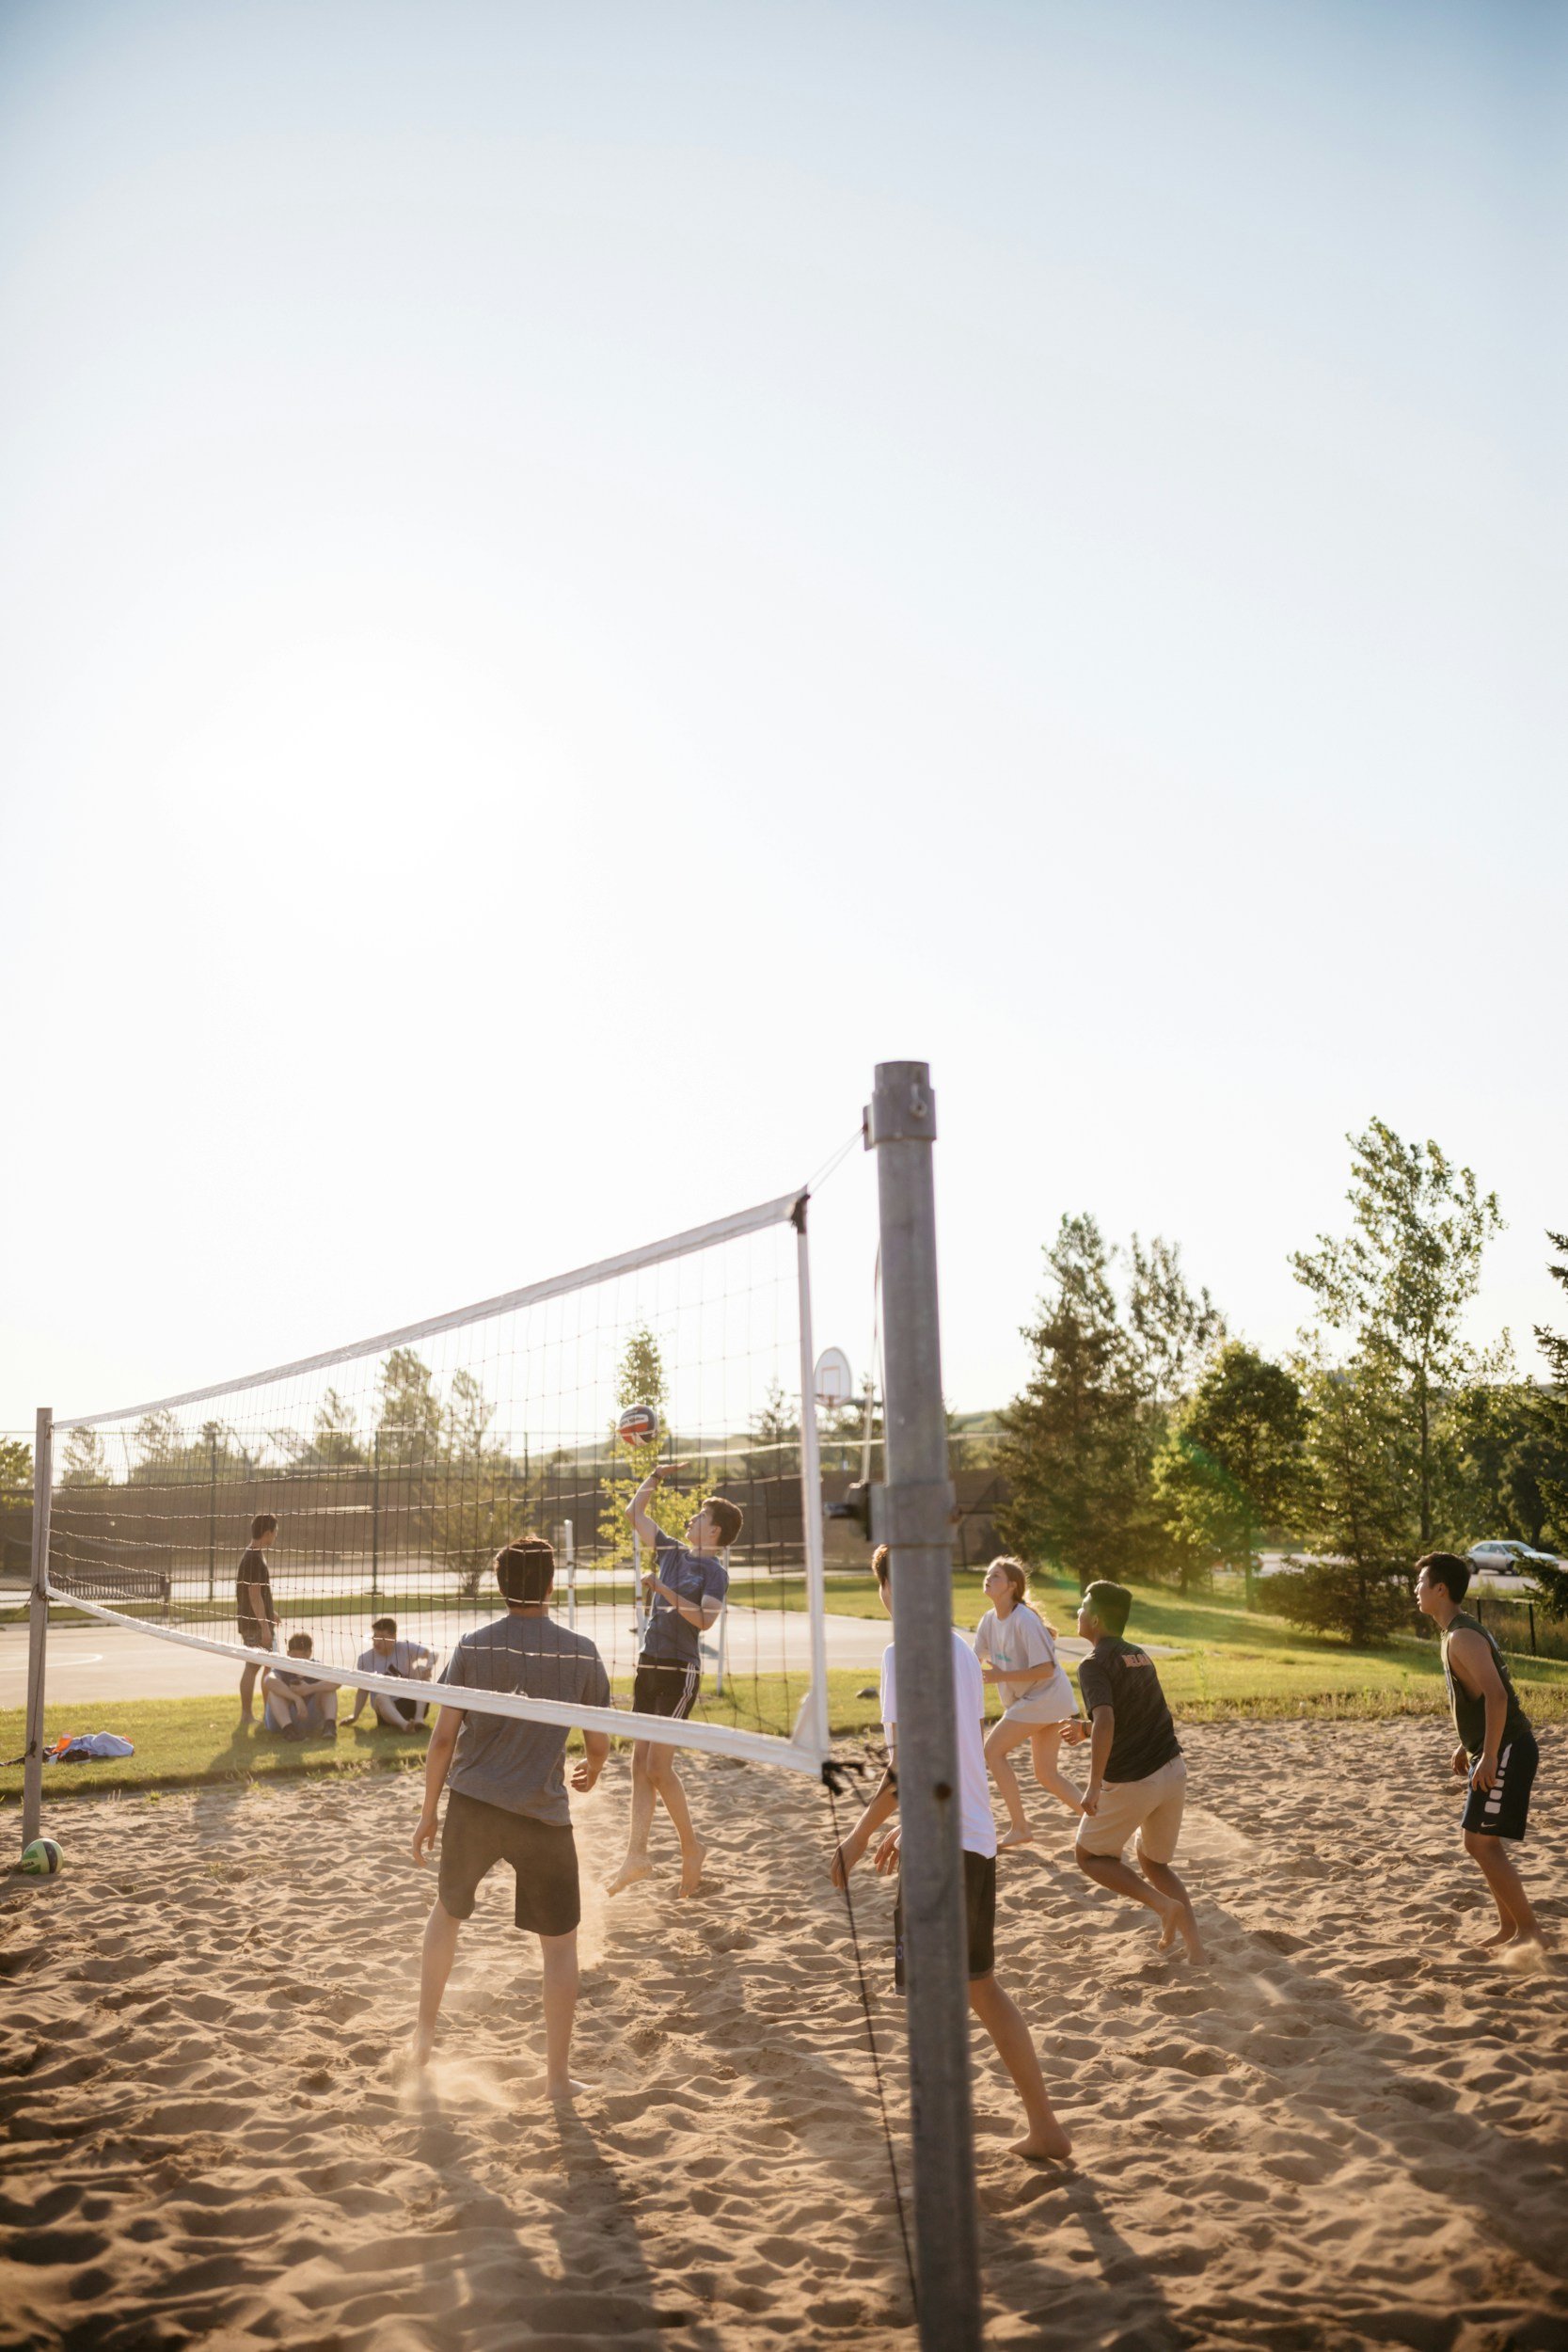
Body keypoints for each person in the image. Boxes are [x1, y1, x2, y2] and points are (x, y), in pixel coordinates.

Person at [830, 1544, 1071, 2163]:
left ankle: (941, 2151)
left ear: (888, 1589)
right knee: (981, 1989)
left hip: (941, 1849)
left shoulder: (901, 1654)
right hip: (971, 1836)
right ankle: (1044, 2127)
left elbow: (905, 1764)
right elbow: (942, 1755)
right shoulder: (960, 1648)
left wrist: (856, 1838)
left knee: (930, 2002)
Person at [410, 1534, 611, 2087]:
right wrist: (592, 1771)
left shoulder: (473, 1646)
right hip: (540, 1813)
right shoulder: (579, 1650)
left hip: (474, 1803)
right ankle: (556, 2078)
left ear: (501, 1587)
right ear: (550, 1585)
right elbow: (599, 1742)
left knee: (445, 1916)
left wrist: (429, 1811)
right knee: (560, 1948)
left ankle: (423, 2039)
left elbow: (443, 1740)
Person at [607, 1467, 742, 1899]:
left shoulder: (714, 1574)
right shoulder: (671, 1550)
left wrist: (663, 1590)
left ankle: (692, 1846)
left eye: (698, 1517)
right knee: (638, 1765)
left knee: (658, 1767)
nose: (689, 1521)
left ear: (714, 1529)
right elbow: (633, 1512)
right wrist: (654, 1476)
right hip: (649, 1663)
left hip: (680, 1670)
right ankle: (637, 1854)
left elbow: (703, 1621)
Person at [1414, 1551, 1544, 1955]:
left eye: (1421, 1583)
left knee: (1481, 1843)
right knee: (1480, 1842)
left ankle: (1530, 1931)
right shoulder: (1454, 1632)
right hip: (1494, 1747)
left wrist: (1487, 1756)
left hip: (1507, 1749)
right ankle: (1511, 1929)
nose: (1415, 1589)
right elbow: (1477, 1696)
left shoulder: (1462, 1636)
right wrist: (1466, 1744)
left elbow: (1499, 1696)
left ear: (1441, 1589)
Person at [1068, 1580, 1203, 1962]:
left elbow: (1109, 1721)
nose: (1077, 1613)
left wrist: (1094, 1786)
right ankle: (1197, 1953)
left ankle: (1162, 1906)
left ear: (1094, 1619)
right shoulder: (1139, 1655)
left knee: (1090, 1857)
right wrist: (1087, 1728)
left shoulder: (1092, 1664)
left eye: (1082, 1607)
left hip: (1134, 1780)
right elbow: (1131, 1718)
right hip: (1172, 1771)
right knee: (1155, 1862)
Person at [974, 1556, 1084, 1844]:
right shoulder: (988, 1620)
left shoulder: (1024, 1618)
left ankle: (1020, 1828)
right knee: (1046, 1774)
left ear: (1012, 1586)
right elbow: (974, 1661)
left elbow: (1047, 1670)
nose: (988, 1578)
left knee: (992, 1751)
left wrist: (1001, 1676)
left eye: (995, 1575)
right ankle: (1102, 1822)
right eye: (988, 1574)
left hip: (1045, 1698)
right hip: (1044, 1701)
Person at [348, 1616, 437, 1732]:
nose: (377, 1642)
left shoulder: (404, 1648)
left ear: (393, 1637)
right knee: (380, 1697)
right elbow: (363, 1689)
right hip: (387, 1709)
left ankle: (419, 1720)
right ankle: (405, 1726)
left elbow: (433, 1654)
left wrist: (429, 1667)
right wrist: (354, 1716)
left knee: (421, 1669)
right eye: (375, 1637)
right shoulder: (365, 1659)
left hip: (411, 1702)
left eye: (383, 1637)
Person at [236, 1514, 280, 1724]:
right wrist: (264, 1627)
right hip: (254, 1625)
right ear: (268, 1533)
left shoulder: (254, 1554)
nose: (276, 1536)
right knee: (254, 1667)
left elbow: (258, 1595)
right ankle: (248, 1715)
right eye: (275, 1532)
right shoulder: (253, 1558)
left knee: (264, 1667)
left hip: (256, 1621)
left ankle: (266, 1713)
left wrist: (270, 1613)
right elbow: (253, 1596)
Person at [261, 1632, 340, 1740]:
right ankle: (289, 1731)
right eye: (294, 1657)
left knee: (328, 1689)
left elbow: (337, 1681)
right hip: (281, 1722)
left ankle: (330, 1727)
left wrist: (309, 1689)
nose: (297, 1661)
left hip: (310, 1718)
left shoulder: (316, 1665)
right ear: (288, 1654)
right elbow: (269, 1680)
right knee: (274, 1693)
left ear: (309, 1654)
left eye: (301, 1657)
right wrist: (296, 1698)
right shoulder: (283, 1665)